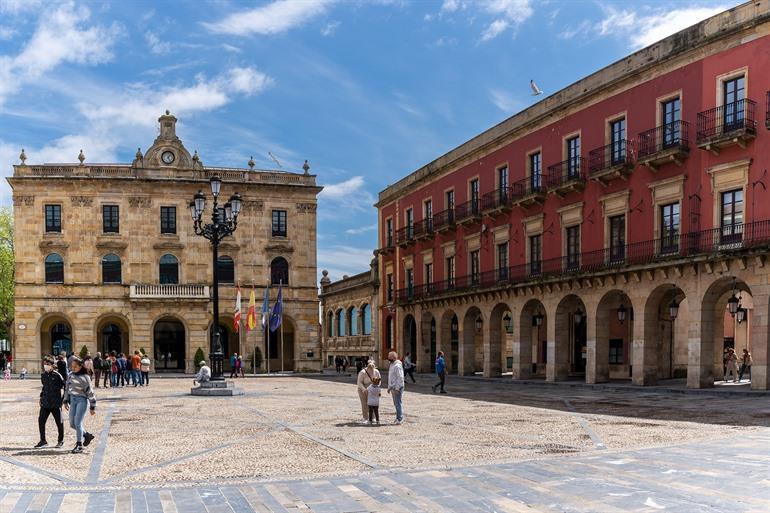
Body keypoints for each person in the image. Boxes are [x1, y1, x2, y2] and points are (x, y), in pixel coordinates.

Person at [63, 357, 96, 454]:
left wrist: (92, 406)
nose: (72, 368)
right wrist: (65, 400)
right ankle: (86, 435)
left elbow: (90, 392)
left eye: (75, 367)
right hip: (72, 400)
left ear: (81, 366)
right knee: (72, 424)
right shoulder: (70, 375)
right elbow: (67, 388)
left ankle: (79, 445)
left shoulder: (85, 377)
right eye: (72, 366)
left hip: (82, 400)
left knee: (78, 423)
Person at [35, 356, 65, 449]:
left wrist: (63, 399)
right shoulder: (43, 375)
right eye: (44, 364)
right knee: (41, 421)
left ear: (52, 365)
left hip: (56, 403)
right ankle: (43, 441)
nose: (46, 366)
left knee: (59, 422)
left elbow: (65, 387)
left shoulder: (57, 375)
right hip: (45, 403)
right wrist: (41, 397)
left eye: (47, 364)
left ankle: (60, 440)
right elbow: (44, 387)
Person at [387, 351, 405, 424]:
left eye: (389, 357)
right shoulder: (392, 365)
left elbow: (400, 378)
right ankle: (398, 417)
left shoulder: (397, 366)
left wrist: (397, 388)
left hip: (397, 388)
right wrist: (389, 387)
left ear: (394, 357)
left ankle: (400, 418)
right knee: (396, 403)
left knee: (398, 403)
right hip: (393, 387)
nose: (388, 358)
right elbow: (391, 377)